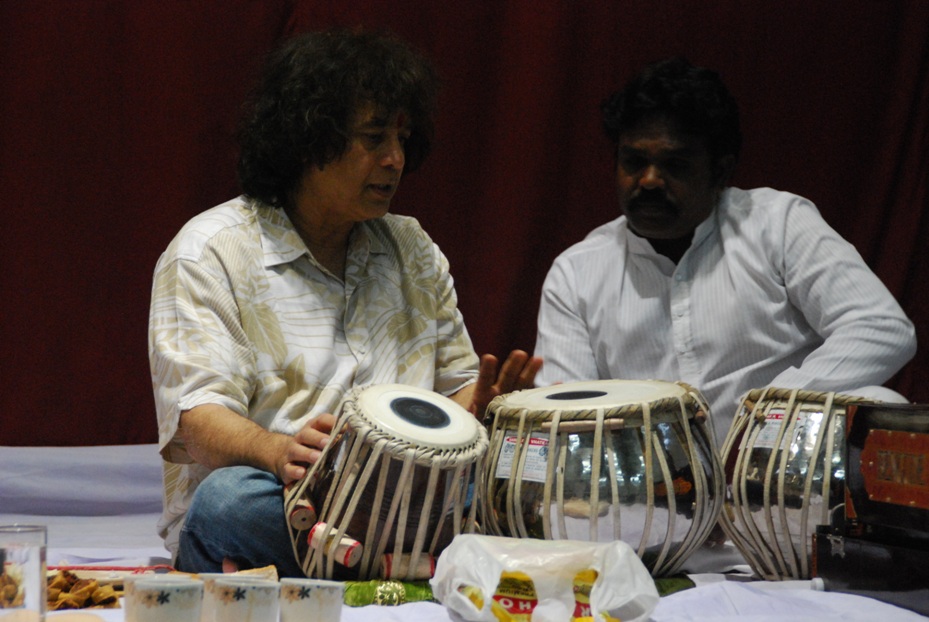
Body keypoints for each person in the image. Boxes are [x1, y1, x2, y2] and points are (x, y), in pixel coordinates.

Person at [148, 28, 542, 576]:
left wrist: (484, 411)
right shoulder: (209, 251)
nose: (395, 159)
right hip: (285, 500)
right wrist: (277, 450)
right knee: (226, 503)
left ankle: (370, 563)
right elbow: (195, 420)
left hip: (403, 503)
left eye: (403, 140)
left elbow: (453, 393)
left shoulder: (412, 249)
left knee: (529, 477)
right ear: (307, 141)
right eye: (374, 137)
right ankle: (408, 569)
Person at [533, 57, 916, 444]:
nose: (648, 180)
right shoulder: (577, 271)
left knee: (882, 405)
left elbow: (881, 329)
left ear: (721, 171)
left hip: (781, 463)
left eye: (674, 165)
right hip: (647, 489)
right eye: (633, 162)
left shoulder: (777, 223)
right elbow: (565, 408)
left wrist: (776, 405)